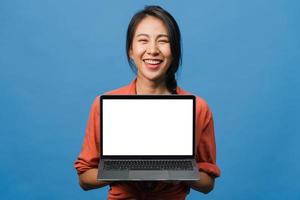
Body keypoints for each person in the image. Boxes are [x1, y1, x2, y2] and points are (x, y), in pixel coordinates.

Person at [74, 5, 220, 200]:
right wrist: (124, 170)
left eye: (163, 41)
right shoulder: (103, 104)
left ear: (174, 51)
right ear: (130, 51)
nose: (152, 50)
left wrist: (178, 174)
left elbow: (207, 184)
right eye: (143, 40)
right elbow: (84, 178)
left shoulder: (198, 108)